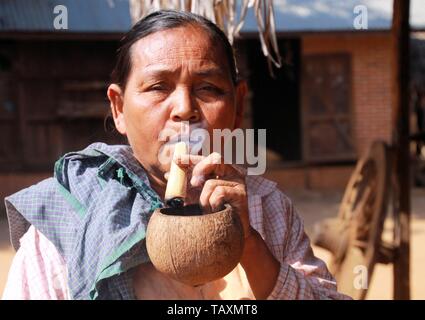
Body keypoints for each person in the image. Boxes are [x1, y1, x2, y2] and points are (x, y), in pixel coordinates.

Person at [2, 10, 350, 300]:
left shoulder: (265, 207)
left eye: (208, 89)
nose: (185, 109)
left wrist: (249, 244)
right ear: (119, 108)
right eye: (158, 87)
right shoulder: (70, 220)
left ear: (239, 105)